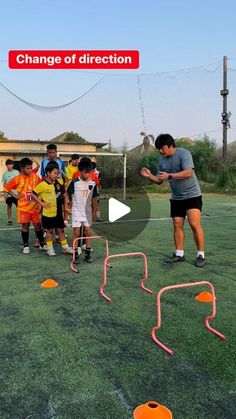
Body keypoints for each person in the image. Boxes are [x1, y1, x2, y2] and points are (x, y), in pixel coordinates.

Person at [141, 133, 205, 268]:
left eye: (162, 148)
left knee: (194, 224)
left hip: (192, 195)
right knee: (177, 224)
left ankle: (200, 255)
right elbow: (160, 180)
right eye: (158, 148)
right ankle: (179, 254)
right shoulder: (162, 160)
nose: (160, 151)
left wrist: (170, 175)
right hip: (177, 197)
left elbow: (188, 173)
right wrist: (150, 176)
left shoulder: (184, 154)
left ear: (170, 146)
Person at [3, 158, 45, 254]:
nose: (30, 170)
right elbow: (6, 187)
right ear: (22, 168)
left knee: (38, 226)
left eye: (31, 168)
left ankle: (42, 244)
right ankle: (26, 246)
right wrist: (16, 196)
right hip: (23, 208)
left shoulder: (35, 177)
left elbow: (41, 186)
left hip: (35, 208)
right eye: (28, 168)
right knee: (25, 226)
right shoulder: (17, 179)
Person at [31, 162, 72, 257]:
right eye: (54, 173)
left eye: (57, 173)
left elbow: (67, 180)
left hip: (58, 212)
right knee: (49, 231)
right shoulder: (42, 184)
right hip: (48, 213)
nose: (56, 175)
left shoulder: (58, 182)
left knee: (61, 230)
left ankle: (65, 247)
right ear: (48, 173)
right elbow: (33, 194)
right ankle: (49, 249)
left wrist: (60, 170)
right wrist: (41, 203)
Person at [65, 159, 98, 263]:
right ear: (80, 171)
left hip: (87, 212)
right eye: (85, 172)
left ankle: (88, 254)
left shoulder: (93, 182)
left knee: (88, 232)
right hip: (77, 211)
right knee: (77, 232)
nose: (88, 174)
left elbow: (94, 199)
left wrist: (94, 212)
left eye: (90, 172)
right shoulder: (75, 182)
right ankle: (75, 254)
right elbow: (66, 194)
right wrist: (66, 207)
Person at [1, 159, 19, 225]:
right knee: (9, 206)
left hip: (16, 194)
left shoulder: (17, 172)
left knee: (19, 206)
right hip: (8, 194)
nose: (9, 166)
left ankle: (19, 218)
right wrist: (4, 194)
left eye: (10, 164)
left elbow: (20, 182)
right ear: (6, 165)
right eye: (8, 164)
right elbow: (4, 185)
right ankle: (9, 219)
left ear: (13, 165)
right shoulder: (5, 174)